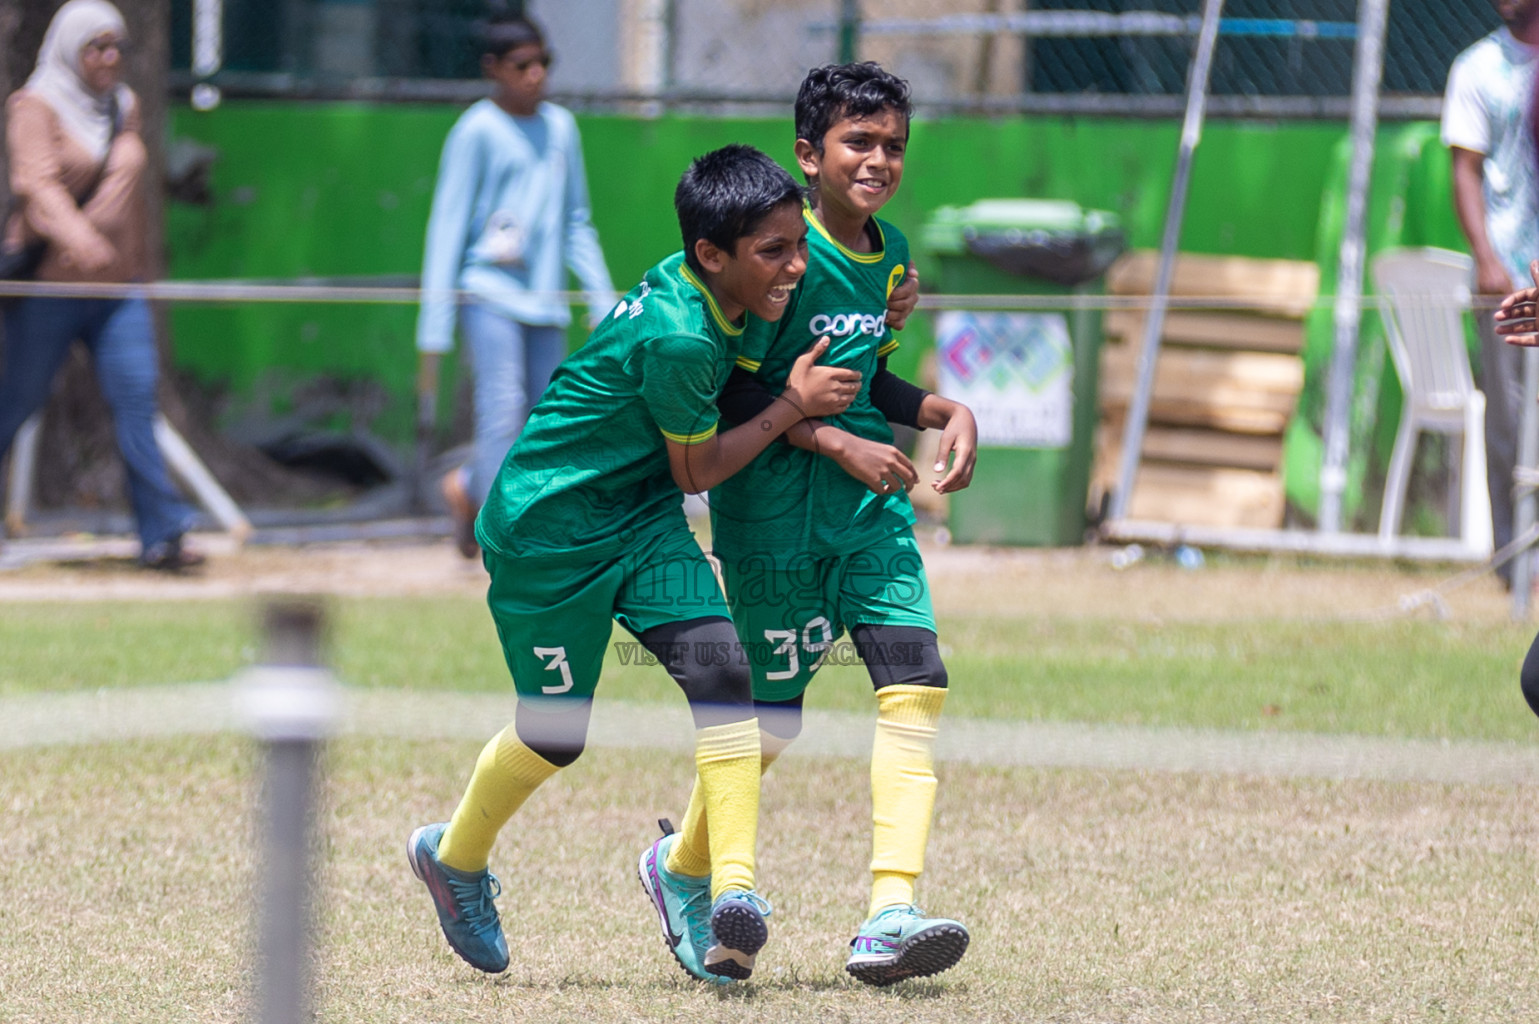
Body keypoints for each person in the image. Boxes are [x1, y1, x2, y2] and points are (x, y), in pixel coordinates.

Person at [407, 144, 862, 983]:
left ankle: (722, 889)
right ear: (709, 256)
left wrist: (888, 304)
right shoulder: (682, 336)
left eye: (797, 244)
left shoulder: (728, 286)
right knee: (555, 735)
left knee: (725, 675)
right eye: (776, 251)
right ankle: (453, 857)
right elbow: (697, 470)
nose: (795, 265)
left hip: (642, 520)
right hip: (548, 531)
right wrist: (797, 407)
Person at [640, 62, 978, 988]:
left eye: (893, 145)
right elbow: (745, 385)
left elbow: (864, 373)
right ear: (807, 154)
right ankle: (684, 872)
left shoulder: (892, 252)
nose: (878, 160)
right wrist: (832, 444)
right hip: (774, 519)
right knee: (772, 723)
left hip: (869, 516)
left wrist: (937, 408)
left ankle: (889, 911)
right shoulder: (773, 256)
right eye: (857, 143)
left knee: (915, 682)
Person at [0, 0, 202, 570]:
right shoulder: (34, 105)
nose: (111, 58)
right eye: (97, 47)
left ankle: (162, 535)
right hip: (49, 289)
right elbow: (34, 184)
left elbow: (129, 197)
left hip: (119, 293)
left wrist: (135, 266)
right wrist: (78, 238)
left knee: (138, 403)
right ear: (71, 49)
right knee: (15, 402)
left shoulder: (122, 106)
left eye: (117, 46)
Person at [415, 14, 616, 559]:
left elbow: (577, 221)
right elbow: (448, 226)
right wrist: (434, 324)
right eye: (522, 65)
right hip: (489, 295)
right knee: (501, 409)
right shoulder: (475, 130)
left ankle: (466, 487)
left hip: (545, 301)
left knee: (545, 418)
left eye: (543, 63)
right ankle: (504, 534)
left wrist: (602, 302)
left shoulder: (561, 128)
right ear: (494, 69)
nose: (535, 75)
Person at [1443, 0, 1539, 588]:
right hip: (1508, 280)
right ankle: (1515, 570)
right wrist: (1487, 259)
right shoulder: (1476, 69)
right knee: (1508, 426)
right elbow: (1465, 168)